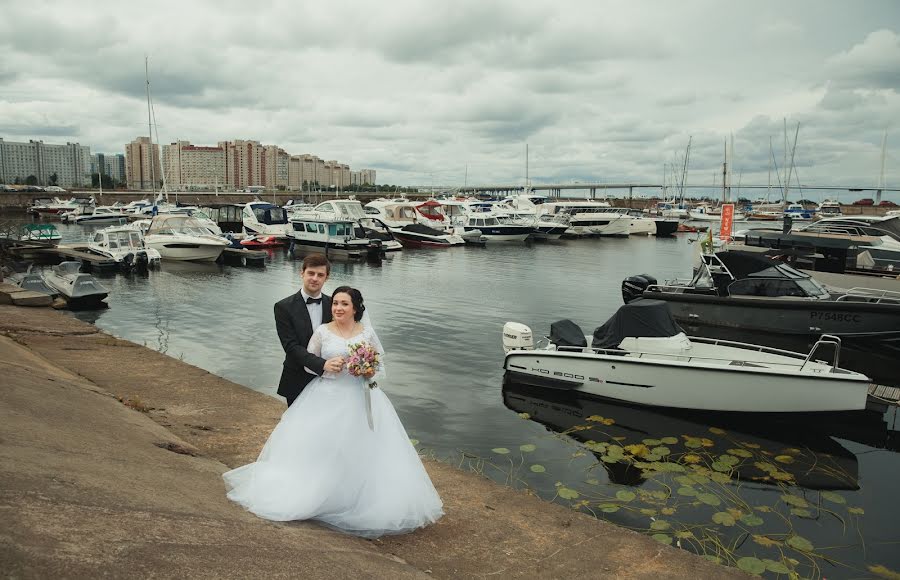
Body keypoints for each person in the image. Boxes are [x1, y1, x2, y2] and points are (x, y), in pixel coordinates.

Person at [224, 286, 444, 537]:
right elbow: (309, 363)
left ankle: (355, 497)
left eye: (344, 304)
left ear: (355, 308)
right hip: (327, 395)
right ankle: (318, 494)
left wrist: (367, 370)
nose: (338, 308)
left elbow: (379, 366)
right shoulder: (322, 332)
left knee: (363, 447)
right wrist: (327, 365)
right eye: (336, 303)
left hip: (361, 397)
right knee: (323, 447)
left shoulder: (367, 333)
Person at [274, 253, 345, 407]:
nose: (315, 278)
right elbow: (290, 346)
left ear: (326, 278)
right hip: (297, 378)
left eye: (320, 275)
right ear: (302, 273)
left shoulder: (333, 305)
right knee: (297, 427)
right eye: (311, 273)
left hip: (330, 379)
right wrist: (322, 364)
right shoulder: (283, 307)